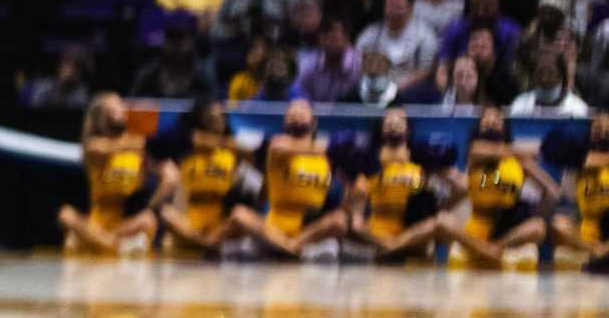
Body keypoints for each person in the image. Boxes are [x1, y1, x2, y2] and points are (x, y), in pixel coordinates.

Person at [226, 98, 344, 258]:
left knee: (339, 220)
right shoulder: (279, 145)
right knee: (238, 215)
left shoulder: (324, 158)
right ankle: (294, 249)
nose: (296, 116)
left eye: (301, 113)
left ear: (314, 121)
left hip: (309, 226)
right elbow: (279, 146)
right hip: (275, 225)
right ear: (285, 121)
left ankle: (287, 246)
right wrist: (328, 148)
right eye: (292, 114)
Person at [445, 107, 553, 268]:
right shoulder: (475, 154)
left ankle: (493, 249)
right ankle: (486, 249)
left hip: (506, 230)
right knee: (445, 222)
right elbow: (480, 149)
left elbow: (551, 190)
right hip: (476, 229)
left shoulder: (520, 162)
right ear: (478, 128)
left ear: (505, 128)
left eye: (497, 118)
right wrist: (524, 150)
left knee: (538, 227)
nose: (491, 121)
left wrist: (534, 211)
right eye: (486, 119)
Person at [58, 93, 164, 254]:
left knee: (148, 219)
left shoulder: (134, 151)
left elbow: (141, 182)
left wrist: (162, 176)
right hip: (95, 222)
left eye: (122, 105)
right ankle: (111, 244)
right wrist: (136, 137)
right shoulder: (94, 145)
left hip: (120, 224)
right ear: (102, 116)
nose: (123, 109)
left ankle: (98, 242)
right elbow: (107, 147)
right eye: (116, 106)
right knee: (65, 214)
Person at [342, 107, 444, 262]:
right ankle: (393, 248)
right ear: (381, 129)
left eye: (399, 120)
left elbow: (440, 202)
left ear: (408, 129)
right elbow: (353, 212)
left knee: (440, 222)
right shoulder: (369, 163)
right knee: (352, 225)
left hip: (411, 233)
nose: (393, 123)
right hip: (376, 235)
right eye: (388, 120)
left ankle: (392, 248)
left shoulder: (422, 164)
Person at [157, 99, 245, 255]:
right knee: (166, 213)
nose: (217, 119)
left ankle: (204, 243)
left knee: (241, 217)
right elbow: (195, 138)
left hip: (219, 220)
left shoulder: (232, 154)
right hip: (191, 220)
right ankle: (208, 244)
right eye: (212, 116)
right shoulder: (188, 150)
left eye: (221, 116)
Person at [544, 110, 609, 272]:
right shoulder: (577, 161)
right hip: (586, 232)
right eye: (598, 129)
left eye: (607, 131)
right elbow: (551, 146)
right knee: (557, 223)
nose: (602, 134)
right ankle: (596, 251)